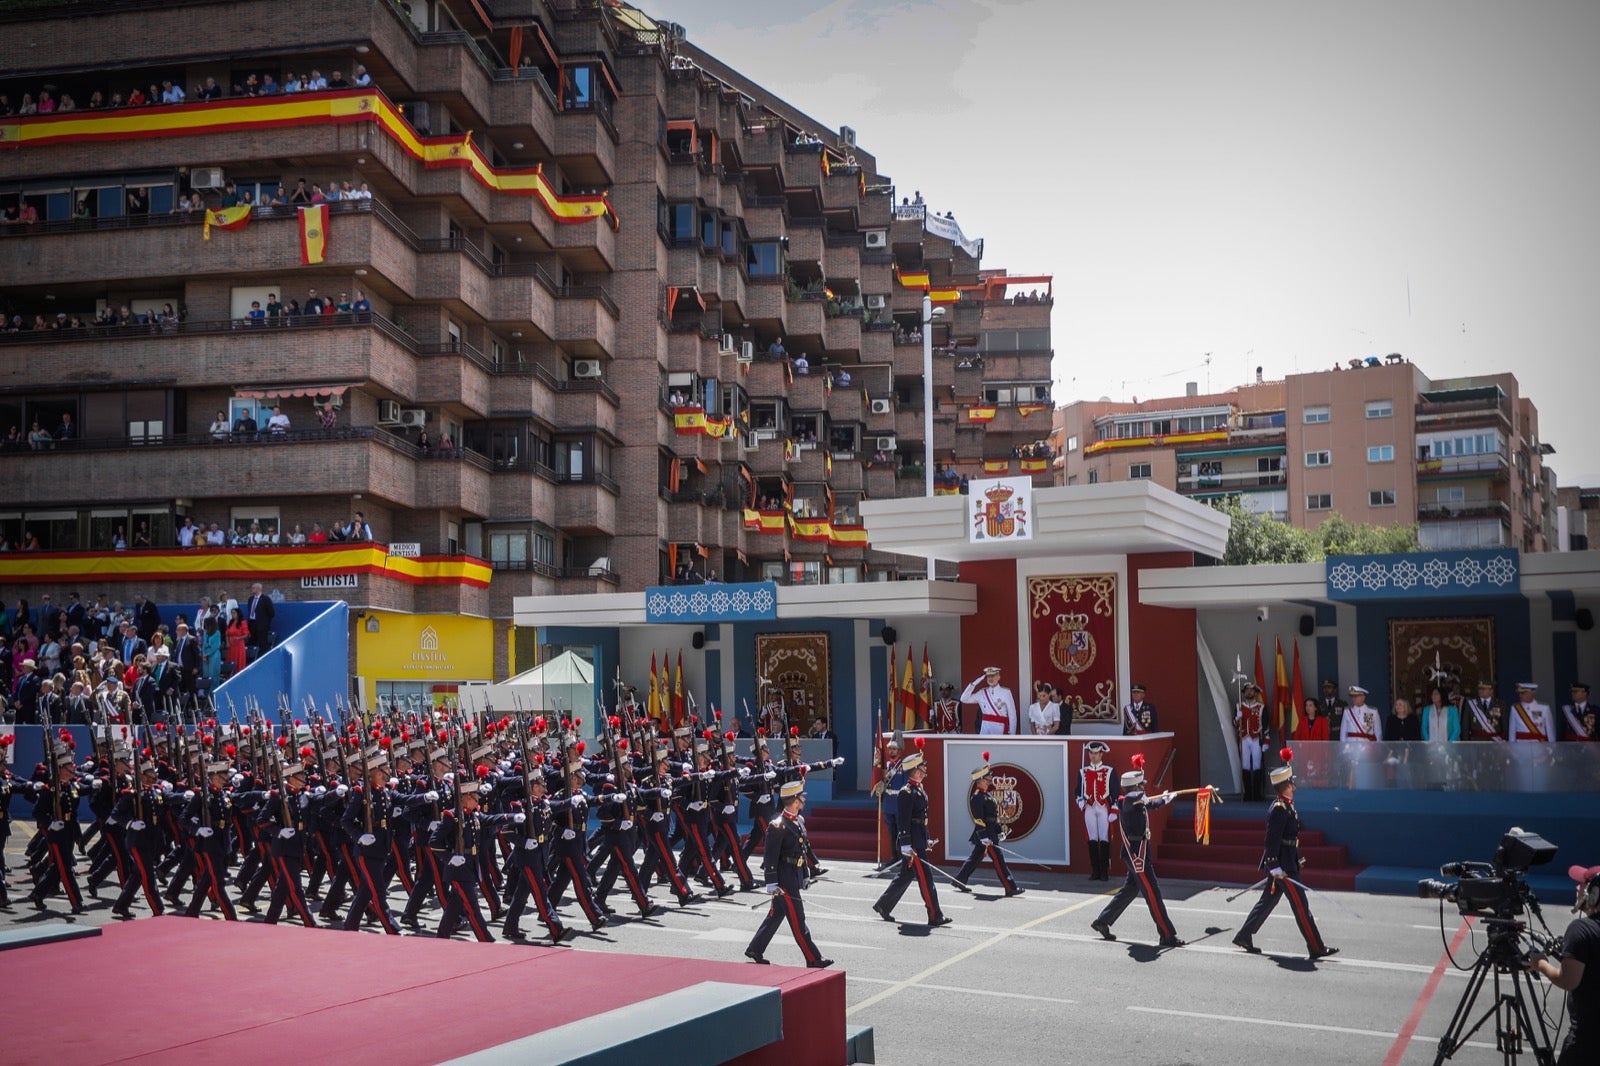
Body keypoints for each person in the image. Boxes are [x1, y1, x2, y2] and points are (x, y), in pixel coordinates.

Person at [1232, 751, 1338, 960]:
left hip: (1286, 863)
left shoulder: (1287, 806)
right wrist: (1274, 865)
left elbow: (1288, 840)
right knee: (1300, 905)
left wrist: (1294, 858)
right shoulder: (1279, 809)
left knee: (1267, 902)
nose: (1294, 786)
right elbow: (1272, 840)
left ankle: (1244, 935)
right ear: (1285, 786)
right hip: (1282, 867)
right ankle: (1316, 947)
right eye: (1291, 783)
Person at [1090, 754, 1183, 947]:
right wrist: (1160, 799)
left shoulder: (1135, 800)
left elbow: (1148, 803)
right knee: (1153, 895)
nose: (1144, 788)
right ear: (1136, 787)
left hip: (1136, 852)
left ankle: (1103, 921)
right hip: (1137, 855)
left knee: (1130, 890)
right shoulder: (1128, 800)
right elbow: (1139, 799)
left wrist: (1164, 799)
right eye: (1141, 786)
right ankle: (1167, 934)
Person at [746, 779, 831, 967]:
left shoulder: (798, 820)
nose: (804, 800)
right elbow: (770, 855)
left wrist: (806, 872)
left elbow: (802, 848)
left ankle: (755, 948)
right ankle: (813, 958)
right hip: (784, 878)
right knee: (797, 918)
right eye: (801, 797)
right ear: (794, 800)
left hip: (794, 874)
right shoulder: (778, 825)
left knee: (776, 914)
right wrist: (771, 883)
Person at [1528, 862, 1600, 1063]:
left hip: (1587, 1044)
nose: (1577, 889)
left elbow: (1568, 980)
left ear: (1594, 894)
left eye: (1582, 885)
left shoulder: (1581, 929)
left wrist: (1540, 964)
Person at [873, 749, 949, 927]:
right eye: (922, 767)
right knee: (926, 879)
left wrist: (927, 838)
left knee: (906, 875)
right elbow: (903, 821)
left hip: (918, 840)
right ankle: (935, 915)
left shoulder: (919, 790)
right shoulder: (906, 793)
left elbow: (922, 819)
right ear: (915, 770)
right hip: (912, 844)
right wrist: (906, 844)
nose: (925, 769)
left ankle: (883, 905)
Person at [951, 754, 1021, 896]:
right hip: (985, 834)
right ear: (981, 779)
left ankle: (959, 879)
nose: (991, 778)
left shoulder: (987, 795)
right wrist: (984, 837)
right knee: (998, 860)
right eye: (988, 776)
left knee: (975, 858)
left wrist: (999, 831)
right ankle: (1010, 887)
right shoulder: (977, 797)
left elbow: (993, 817)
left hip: (990, 832)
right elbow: (979, 819)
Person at [1076, 740, 1118, 881]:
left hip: (1103, 807)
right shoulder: (1083, 771)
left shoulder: (1109, 771)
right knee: (1092, 839)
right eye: (1091, 753)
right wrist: (1080, 800)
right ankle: (1095, 870)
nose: (1093, 756)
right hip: (1089, 807)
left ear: (1101, 754)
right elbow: (1077, 791)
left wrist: (1114, 810)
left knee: (1104, 839)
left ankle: (1105, 871)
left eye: (1096, 753)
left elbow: (1115, 792)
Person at [1235, 681, 1268, 800]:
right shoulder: (1239, 706)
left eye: (1251, 690)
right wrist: (1237, 718)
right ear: (1244, 692)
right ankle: (1248, 794)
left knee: (1257, 765)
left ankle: (1257, 794)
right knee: (1245, 765)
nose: (1249, 692)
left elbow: (1265, 726)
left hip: (1256, 739)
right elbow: (1235, 724)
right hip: (1244, 738)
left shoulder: (1261, 707)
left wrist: (1266, 742)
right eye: (1247, 690)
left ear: (1255, 692)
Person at [960, 666, 1017, 735]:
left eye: (993, 676)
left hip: (1000, 729)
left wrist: (1012, 733)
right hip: (985, 729)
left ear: (998, 677)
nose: (990, 678)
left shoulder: (1006, 692)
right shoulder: (982, 693)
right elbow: (963, 699)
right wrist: (974, 684)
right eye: (988, 676)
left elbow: (1012, 714)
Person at [244, 582, 274, 658]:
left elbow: (271, 613)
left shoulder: (265, 599)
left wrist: (265, 623)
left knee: (262, 643)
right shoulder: (250, 599)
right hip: (251, 624)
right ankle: (251, 659)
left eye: (253, 588)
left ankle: (264, 658)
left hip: (261, 625)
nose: (252, 589)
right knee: (252, 642)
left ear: (258, 589)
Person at [224, 607, 249, 676]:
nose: (233, 614)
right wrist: (227, 642)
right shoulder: (231, 622)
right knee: (231, 659)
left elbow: (246, 634)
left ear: (238, 613)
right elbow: (227, 634)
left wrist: (239, 638)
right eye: (232, 613)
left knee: (238, 660)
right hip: (231, 645)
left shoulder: (243, 622)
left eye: (234, 613)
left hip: (239, 644)